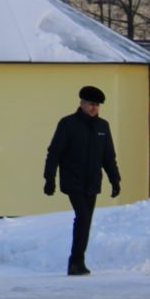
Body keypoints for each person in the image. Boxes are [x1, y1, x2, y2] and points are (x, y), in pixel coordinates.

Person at [42, 84, 121, 276]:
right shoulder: (68, 124)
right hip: (73, 180)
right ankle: (76, 261)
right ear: (82, 103)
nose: (94, 108)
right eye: (91, 104)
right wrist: (50, 178)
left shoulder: (103, 127)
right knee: (83, 218)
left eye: (97, 105)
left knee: (85, 221)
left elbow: (108, 157)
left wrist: (115, 180)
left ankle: (77, 261)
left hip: (93, 182)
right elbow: (55, 152)